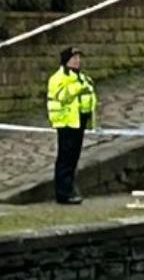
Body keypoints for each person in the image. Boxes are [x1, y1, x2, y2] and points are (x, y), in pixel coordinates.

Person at [47, 47, 96, 205]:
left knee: (74, 157)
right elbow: (63, 96)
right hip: (66, 122)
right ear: (66, 61)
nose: (77, 61)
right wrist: (78, 88)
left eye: (78, 58)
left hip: (78, 121)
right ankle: (63, 193)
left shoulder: (81, 77)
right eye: (74, 58)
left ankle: (70, 188)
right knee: (65, 158)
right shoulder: (58, 78)